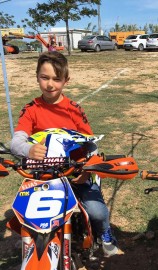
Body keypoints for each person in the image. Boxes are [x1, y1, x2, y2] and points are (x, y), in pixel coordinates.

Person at [10, 51, 118, 257]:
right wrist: (28, 150)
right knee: (23, 211)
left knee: (97, 211)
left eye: (56, 79)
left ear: (66, 81)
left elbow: (91, 144)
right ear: (37, 77)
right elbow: (16, 142)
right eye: (45, 77)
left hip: (75, 171)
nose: (50, 84)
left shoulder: (74, 109)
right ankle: (30, 237)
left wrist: (86, 170)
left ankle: (105, 231)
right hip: (43, 174)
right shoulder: (31, 109)